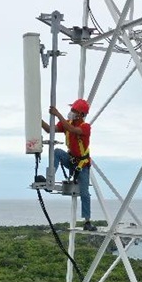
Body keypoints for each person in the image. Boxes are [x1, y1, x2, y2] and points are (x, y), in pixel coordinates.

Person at [41, 98, 97, 232]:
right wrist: (37, 118)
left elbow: (72, 129)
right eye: (72, 109)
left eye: (74, 110)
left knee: (84, 193)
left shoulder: (85, 127)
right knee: (57, 152)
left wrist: (57, 114)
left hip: (82, 165)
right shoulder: (68, 123)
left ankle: (87, 221)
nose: (71, 112)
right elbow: (50, 129)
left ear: (81, 114)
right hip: (71, 160)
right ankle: (50, 179)